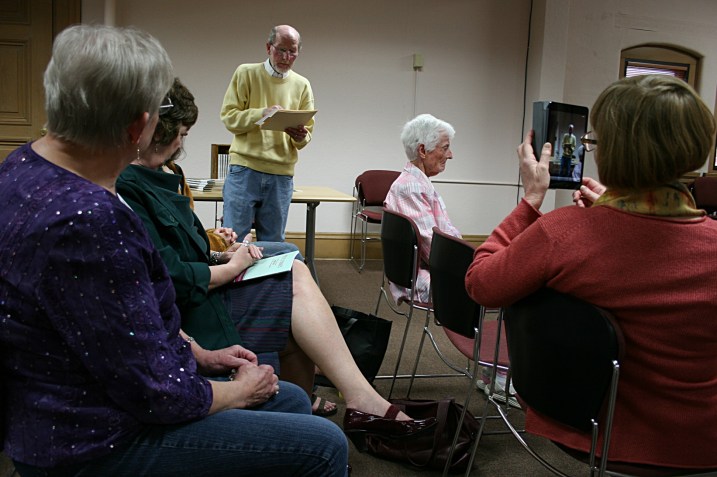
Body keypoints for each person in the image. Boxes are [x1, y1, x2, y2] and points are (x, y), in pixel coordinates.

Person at [0, 24, 349, 477]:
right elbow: (157, 394)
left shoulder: (19, 166)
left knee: (294, 398)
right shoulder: (91, 219)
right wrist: (236, 391)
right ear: (139, 126)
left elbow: (111, 325)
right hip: (92, 441)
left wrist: (198, 352)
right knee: (324, 445)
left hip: (56, 411)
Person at [117, 79, 434, 434]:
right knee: (294, 276)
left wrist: (219, 250)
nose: (181, 143)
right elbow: (170, 274)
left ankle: (327, 397)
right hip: (194, 306)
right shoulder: (129, 185)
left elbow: (179, 246)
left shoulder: (160, 174)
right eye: (183, 134)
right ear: (157, 133)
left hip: (203, 281)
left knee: (289, 260)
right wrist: (231, 265)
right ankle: (356, 395)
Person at [466, 75, 717, 472]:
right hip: (703, 445)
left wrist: (531, 200)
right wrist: (619, 208)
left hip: (598, 433)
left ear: (611, 152)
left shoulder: (562, 233)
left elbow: (481, 283)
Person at [220, 24, 314, 242]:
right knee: (232, 240)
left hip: (281, 174)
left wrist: (301, 136)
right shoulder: (246, 73)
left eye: (293, 52)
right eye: (281, 50)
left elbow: (308, 133)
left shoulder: (302, 85)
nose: (286, 57)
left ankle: (268, 278)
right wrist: (262, 113)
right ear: (268, 47)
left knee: (273, 243)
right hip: (245, 169)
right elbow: (229, 118)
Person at [384, 113, 461, 305]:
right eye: (445, 148)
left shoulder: (417, 182)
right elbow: (433, 249)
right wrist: (471, 265)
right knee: (503, 288)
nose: (450, 155)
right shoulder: (412, 187)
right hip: (423, 281)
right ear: (423, 151)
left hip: (430, 271)